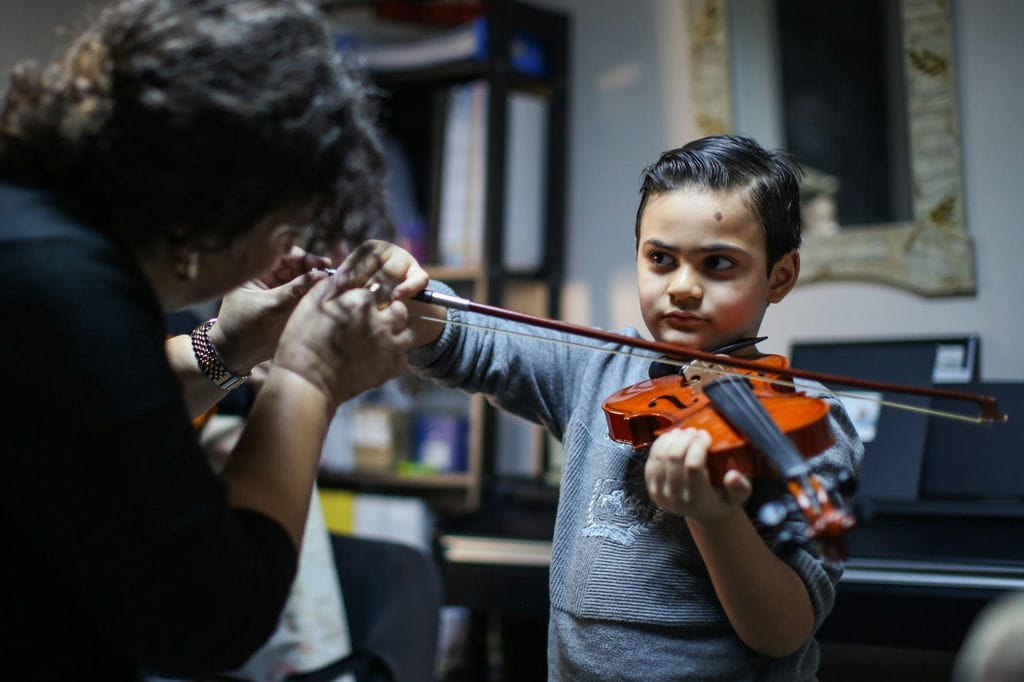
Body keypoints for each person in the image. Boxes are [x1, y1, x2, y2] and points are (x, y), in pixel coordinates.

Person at [0, 0, 428, 679]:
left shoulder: (31, 221)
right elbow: (209, 621)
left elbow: (72, 420)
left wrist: (224, 350)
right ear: (230, 197)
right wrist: (307, 378)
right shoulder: (65, 281)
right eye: (289, 226)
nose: (284, 251)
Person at [371, 134, 864, 680]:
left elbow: (783, 629)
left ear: (780, 276)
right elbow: (479, 343)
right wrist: (411, 297)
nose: (681, 287)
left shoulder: (803, 422)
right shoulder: (601, 369)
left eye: (718, 264)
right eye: (660, 259)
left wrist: (715, 514)